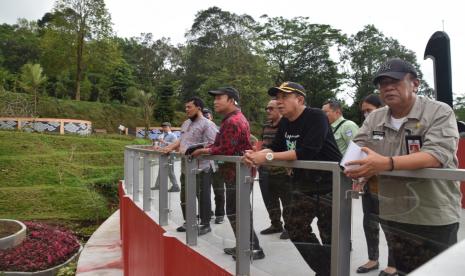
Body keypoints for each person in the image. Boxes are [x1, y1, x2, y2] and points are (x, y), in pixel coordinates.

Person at [345, 58, 462, 275]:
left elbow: (436, 155)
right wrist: (352, 168)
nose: (387, 87)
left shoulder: (439, 112)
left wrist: (385, 163)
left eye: (395, 81)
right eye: (382, 83)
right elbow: (358, 146)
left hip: (432, 215)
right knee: (405, 269)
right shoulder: (375, 118)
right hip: (393, 213)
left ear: (415, 84)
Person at [243, 81, 342, 275]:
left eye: (284, 97)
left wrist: (267, 157)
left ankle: (331, 270)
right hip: (303, 183)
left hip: (330, 184)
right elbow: (277, 147)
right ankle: (328, 270)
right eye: (277, 97)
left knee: (329, 234)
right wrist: (256, 154)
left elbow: (306, 152)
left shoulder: (316, 116)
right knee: (295, 226)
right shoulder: (286, 122)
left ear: (300, 99)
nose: (278, 102)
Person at [192, 87, 265, 260]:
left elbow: (225, 148)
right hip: (236, 173)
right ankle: (246, 246)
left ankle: (253, 249)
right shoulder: (231, 119)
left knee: (237, 211)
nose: (215, 102)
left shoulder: (233, 121)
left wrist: (202, 150)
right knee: (237, 210)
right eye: (214, 98)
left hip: (238, 174)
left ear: (231, 100)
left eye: (219, 98)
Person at [161, 97, 218, 236]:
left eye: (189, 107)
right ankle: (189, 221)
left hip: (202, 167)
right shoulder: (185, 123)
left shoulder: (208, 124)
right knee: (185, 195)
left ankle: (205, 224)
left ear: (198, 108)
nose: (186, 110)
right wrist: (170, 147)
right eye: (185, 107)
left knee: (203, 196)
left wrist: (198, 150)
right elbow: (182, 140)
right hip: (186, 165)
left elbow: (213, 144)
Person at [355, 94, 398, 275]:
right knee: (369, 224)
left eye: (369, 110)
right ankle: (373, 259)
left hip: (391, 189)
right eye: (363, 111)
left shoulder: (393, 128)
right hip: (370, 187)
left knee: (391, 228)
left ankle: (393, 264)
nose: (366, 114)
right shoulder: (367, 129)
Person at [258, 99, 290, 239]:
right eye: (267, 108)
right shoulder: (266, 125)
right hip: (265, 169)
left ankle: (290, 228)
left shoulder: (287, 125)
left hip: (282, 170)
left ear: (279, 109)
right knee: (269, 199)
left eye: (271, 108)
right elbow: (262, 144)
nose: (268, 111)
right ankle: (275, 224)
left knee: (287, 200)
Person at [202, 107, 225, 224]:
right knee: (204, 191)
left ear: (212, 117)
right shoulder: (199, 131)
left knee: (219, 190)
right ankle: (207, 213)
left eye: (208, 115)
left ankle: (220, 214)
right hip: (203, 165)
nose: (206, 117)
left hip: (217, 164)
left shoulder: (219, 130)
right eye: (204, 116)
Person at [152, 122, 180, 192]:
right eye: (163, 127)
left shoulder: (173, 135)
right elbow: (161, 145)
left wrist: (163, 141)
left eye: (165, 127)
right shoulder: (162, 135)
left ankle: (175, 186)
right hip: (162, 155)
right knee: (160, 170)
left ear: (169, 127)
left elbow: (175, 145)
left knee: (170, 171)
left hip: (170, 155)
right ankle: (158, 185)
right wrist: (157, 146)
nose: (164, 128)